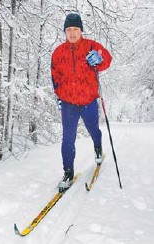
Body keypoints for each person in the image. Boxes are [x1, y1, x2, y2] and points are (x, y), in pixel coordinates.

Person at [51, 13, 112, 191]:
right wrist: (59, 96)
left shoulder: (91, 46)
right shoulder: (58, 52)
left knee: (94, 130)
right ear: (65, 32)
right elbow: (55, 77)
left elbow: (107, 59)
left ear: (81, 30)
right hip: (69, 104)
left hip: (89, 101)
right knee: (68, 139)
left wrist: (100, 59)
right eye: (69, 30)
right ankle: (68, 172)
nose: (72, 33)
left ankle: (98, 148)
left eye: (75, 29)